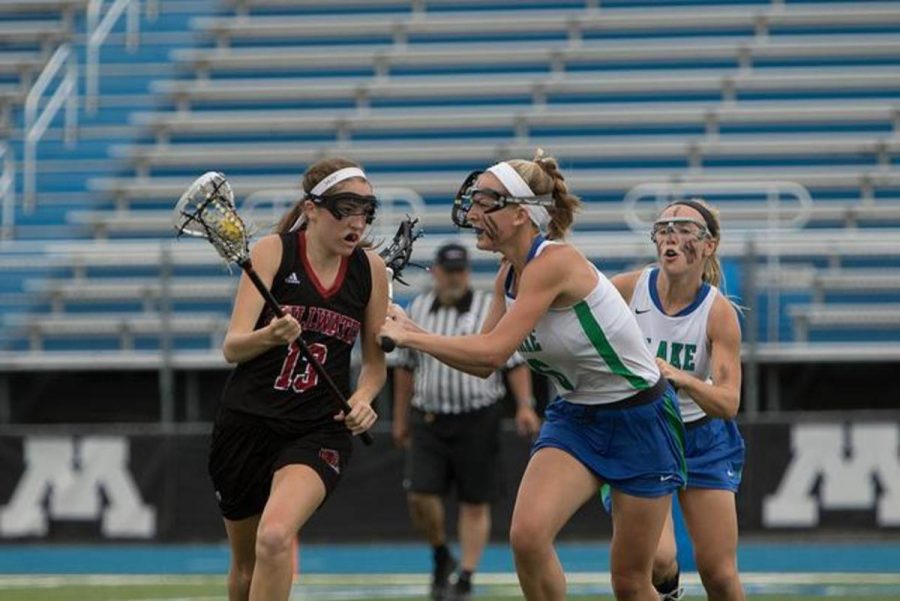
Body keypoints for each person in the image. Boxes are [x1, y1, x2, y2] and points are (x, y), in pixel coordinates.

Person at [379, 151, 686, 601]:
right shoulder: (509, 273)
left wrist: (412, 336)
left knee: (631, 581)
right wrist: (414, 332)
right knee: (527, 537)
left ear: (522, 214)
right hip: (576, 417)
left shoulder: (554, 264)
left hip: (640, 417)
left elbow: (491, 353)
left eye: (487, 204)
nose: (475, 215)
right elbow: (483, 362)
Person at [208, 157, 388, 601]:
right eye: (345, 208)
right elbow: (233, 346)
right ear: (311, 208)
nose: (357, 222)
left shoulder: (371, 271)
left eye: (366, 210)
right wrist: (269, 335)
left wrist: (364, 398)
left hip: (316, 428)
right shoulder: (274, 251)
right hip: (247, 423)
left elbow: (375, 364)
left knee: (275, 536)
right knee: (247, 567)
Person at [607, 198, 745, 601]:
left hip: (702, 437)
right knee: (659, 560)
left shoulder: (718, 313)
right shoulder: (626, 288)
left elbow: (727, 402)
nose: (672, 237)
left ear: (708, 246)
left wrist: (681, 377)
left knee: (719, 574)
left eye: (685, 230)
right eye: (665, 229)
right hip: (642, 433)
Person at [392, 241, 541, 601]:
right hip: (429, 415)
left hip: (477, 416)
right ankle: (442, 552)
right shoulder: (420, 308)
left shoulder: (486, 309)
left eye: (461, 271)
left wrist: (525, 405)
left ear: (468, 273)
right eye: (449, 271)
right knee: (420, 495)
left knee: (476, 499)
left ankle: (467, 576)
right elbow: (405, 368)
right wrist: (400, 418)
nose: (455, 278)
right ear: (437, 272)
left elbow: (513, 361)